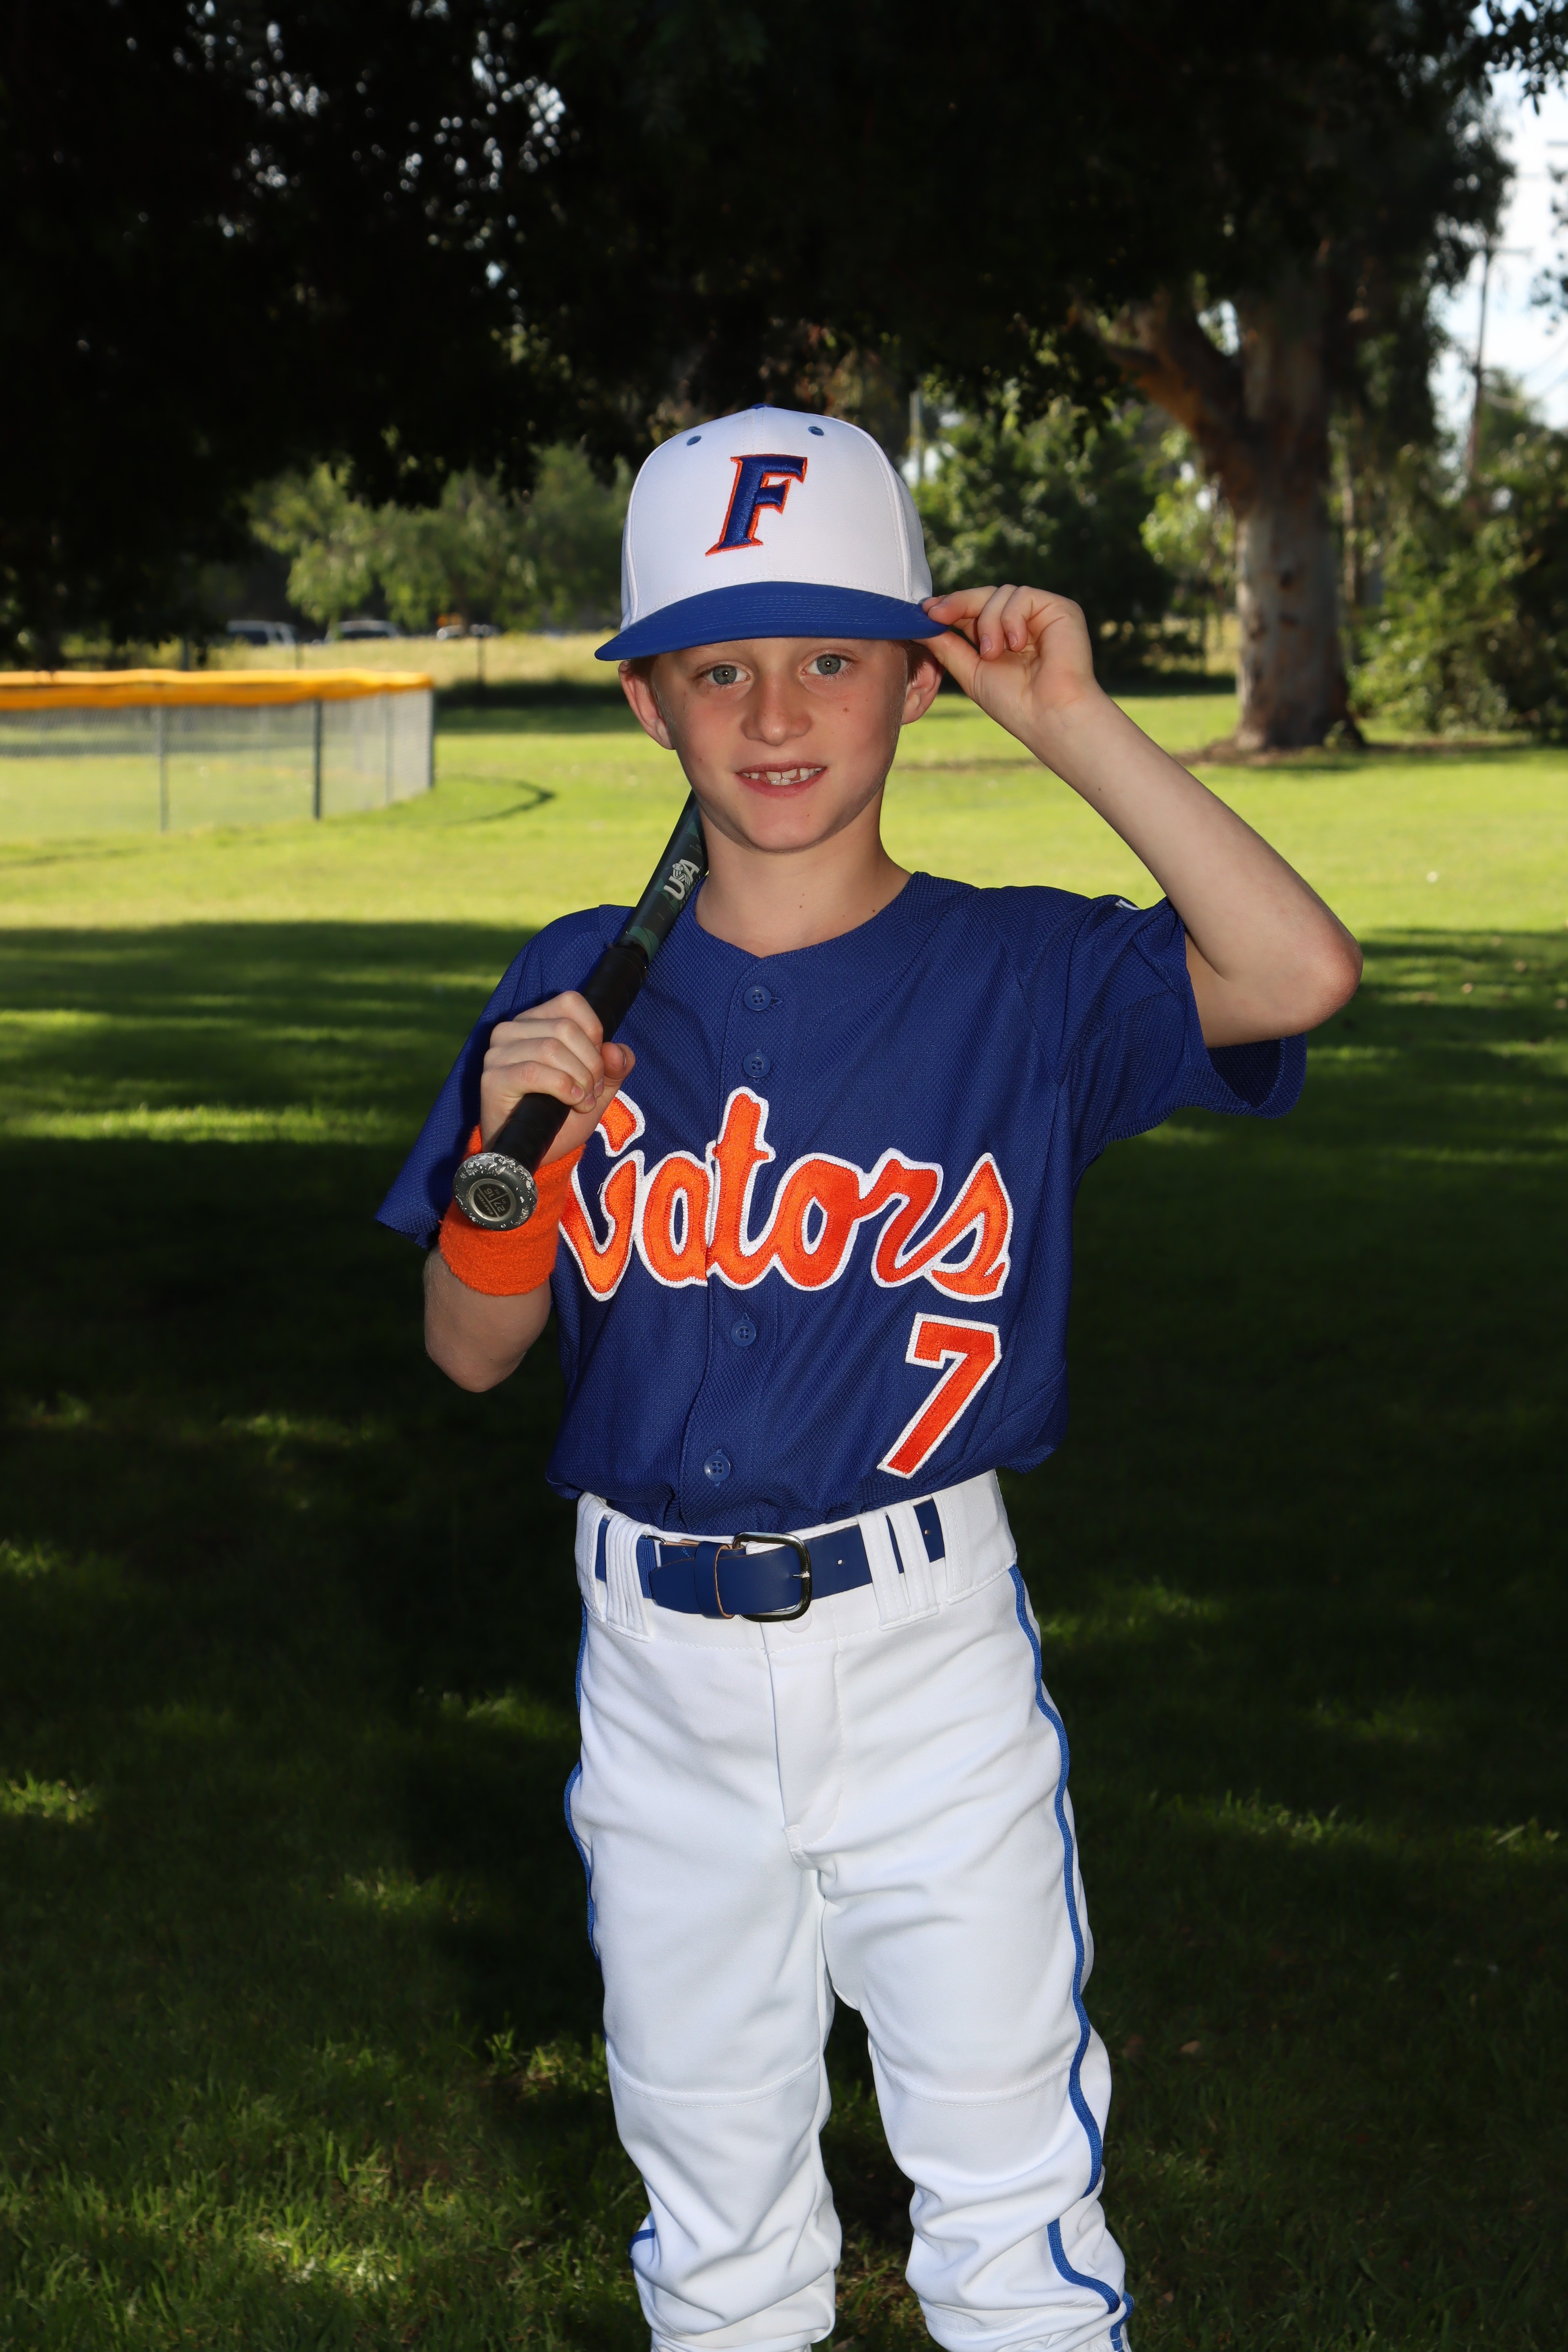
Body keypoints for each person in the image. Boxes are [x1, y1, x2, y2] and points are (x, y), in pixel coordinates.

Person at [378, 407, 1360, 2352]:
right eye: (716, 667)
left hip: (925, 1655)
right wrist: (512, 1161)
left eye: (831, 655)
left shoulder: (1019, 977)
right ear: (646, 704)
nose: (774, 712)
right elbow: (470, 1349)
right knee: (713, 2212)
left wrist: (1068, 721)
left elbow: (1295, 974)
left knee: (1005, 2201)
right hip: (652, 1665)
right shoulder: (576, 980)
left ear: (917, 679)